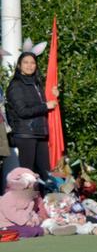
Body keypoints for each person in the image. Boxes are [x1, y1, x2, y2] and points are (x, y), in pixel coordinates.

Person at [6, 51, 57, 180]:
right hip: (25, 134)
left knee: (46, 174)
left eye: (33, 62)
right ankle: (25, 200)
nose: (29, 65)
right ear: (19, 65)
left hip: (40, 133)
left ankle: (43, 200)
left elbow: (47, 103)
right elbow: (22, 111)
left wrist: (53, 96)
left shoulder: (37, 84)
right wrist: (45, 106)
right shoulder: (16, 85)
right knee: (28, 174)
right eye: (26, 62)